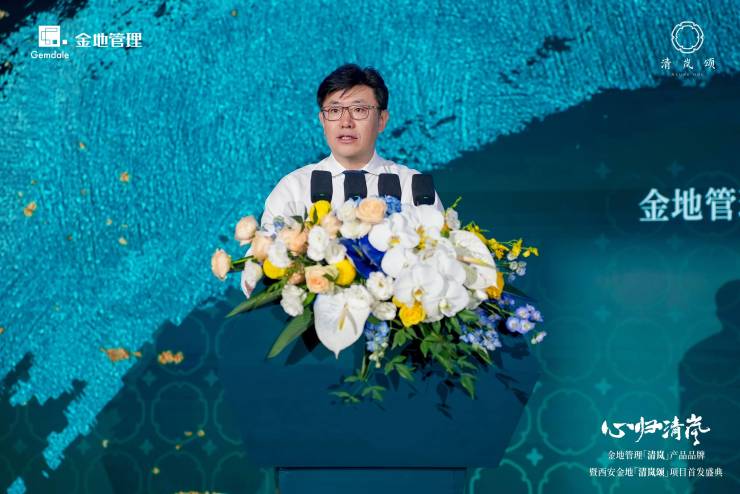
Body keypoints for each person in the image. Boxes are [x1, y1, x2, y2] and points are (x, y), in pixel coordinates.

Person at [259, 63, 444, 232]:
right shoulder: (293, 189)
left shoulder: (412, 187)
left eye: (359, 110)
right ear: (322, 121)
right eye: (334, 110)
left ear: (381, 120)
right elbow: (263, 254)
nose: (346, 122)